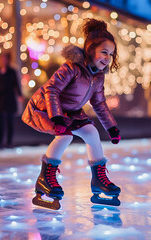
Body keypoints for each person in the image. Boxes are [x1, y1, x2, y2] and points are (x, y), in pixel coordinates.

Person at [22, 19, 121, 209]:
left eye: (111, 54)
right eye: (104, 52)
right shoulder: (71, 68)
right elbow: (51, 90)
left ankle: (98, 179)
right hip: (44, 109)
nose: (107, 58)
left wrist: (111, 127)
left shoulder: (98, 77)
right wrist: (56, 117)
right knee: (64, 136)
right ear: (90, 50)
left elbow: (99, 103)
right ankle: (45, 178)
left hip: (71, 113)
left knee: (92, 133)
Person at [0, 52, 22, 149]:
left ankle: (9, 142)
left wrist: (19, 95)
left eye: (5, 59)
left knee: (10, 121)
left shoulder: (12, 71)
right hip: (0, 100)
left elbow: (16, 84)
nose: (4, 61)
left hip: (10, 99)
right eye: (2, 59)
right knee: (0, 122)